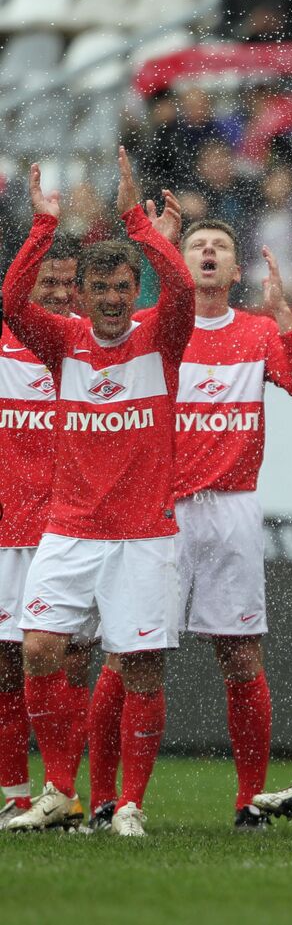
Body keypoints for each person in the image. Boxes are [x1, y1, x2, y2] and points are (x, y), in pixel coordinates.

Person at [4, 151, 194, 837]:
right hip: (71, 529)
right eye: (101, 289)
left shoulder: (160, 336)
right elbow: (9, 302)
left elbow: (181, 292)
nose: (113, 299)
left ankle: (132, 804)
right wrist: (43, 227)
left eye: (122, 287)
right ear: (79, 295)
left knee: (141, 667)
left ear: (133, 288)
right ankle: (59, 784)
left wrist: (140, 226)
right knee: (38, 650)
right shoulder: (63, 342)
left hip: (144, 534)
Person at [160, 222, 292, 829]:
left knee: (239, 656)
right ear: (179, 265)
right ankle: (112, 800)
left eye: (220, 246)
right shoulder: (158, 327)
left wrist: (284, 316)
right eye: (196, 245)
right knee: (134, 653)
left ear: (235, 273)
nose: (208, 251)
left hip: (232, 508)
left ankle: (248, 799)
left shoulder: (256, 333)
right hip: (162, 509)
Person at [0, 234, 89, 832]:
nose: (57, 293)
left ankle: (70, 791)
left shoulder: (94, 347)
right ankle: (16, 791)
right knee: (9, 664)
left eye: (67, 283)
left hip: (74, 530)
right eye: (46, 283)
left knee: (76, 664)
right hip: (10, 531)